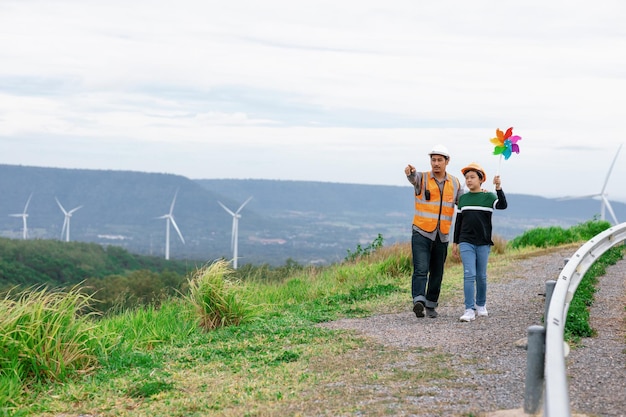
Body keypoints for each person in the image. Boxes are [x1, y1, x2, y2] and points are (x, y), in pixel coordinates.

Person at [405, 144, 463, 319]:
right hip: (421, 231)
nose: (436, 163)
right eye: (433, 160)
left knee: (437, 272)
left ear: (447, 161)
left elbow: (463, 202)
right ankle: (419, 301)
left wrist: (479, 193)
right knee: (421, 268)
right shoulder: (421, 178)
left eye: (439, 160)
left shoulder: (454, 182)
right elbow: (412, 178)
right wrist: (409, 173)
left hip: (442, 234)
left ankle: (431, 304)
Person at [452, 162, 508, 322]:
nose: (469, 180)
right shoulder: (463, 199)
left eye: (472, 177)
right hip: (466, 241)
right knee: (469, 274)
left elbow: (503, 205)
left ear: (481, 179)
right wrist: (455, 243)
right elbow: (459, 223)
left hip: (483, 242)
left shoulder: (489, 197)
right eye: (467, 178)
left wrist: (498, 188)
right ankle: (468, 309)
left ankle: (481, 305)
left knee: (481, 276)